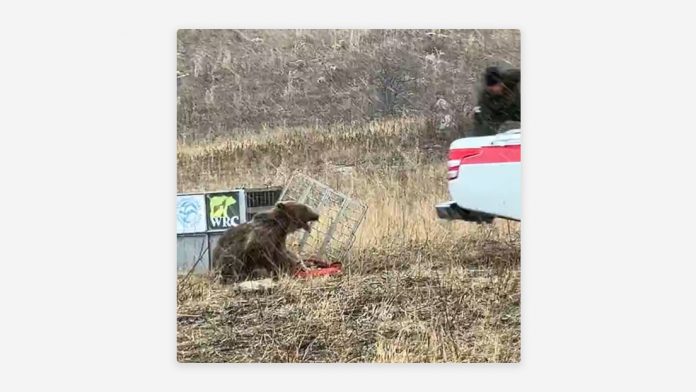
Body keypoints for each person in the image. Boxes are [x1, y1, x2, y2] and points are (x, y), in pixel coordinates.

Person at [470, 65, 521, 136]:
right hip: (503, 120)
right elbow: (482, 114)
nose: (492, 91)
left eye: (493, 88)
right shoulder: (486, 97)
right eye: (490, 89)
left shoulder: (512, 82)